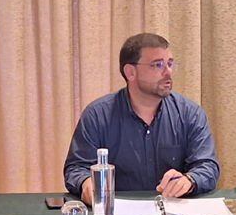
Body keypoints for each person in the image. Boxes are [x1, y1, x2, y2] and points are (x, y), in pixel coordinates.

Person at [63, 33, 219, 203]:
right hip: (117, 211)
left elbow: (207, 166)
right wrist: (86, 183)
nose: (168, 72)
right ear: (130, 72)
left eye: (170, 64)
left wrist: (189, 180)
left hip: (173, 212)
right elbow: (76, 168)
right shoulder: (98, 115)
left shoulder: (190, 113)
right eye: (158, 65)